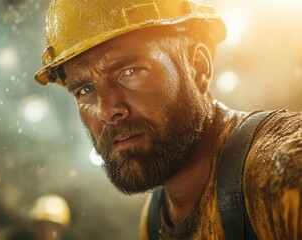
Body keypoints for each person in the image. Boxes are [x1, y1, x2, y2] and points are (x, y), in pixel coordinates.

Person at [33, 0, 302, 239]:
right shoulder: (154, 221)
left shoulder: (281, 172)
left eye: (130, 71)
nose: (107, 110)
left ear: (198, 67)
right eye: (85, 90)